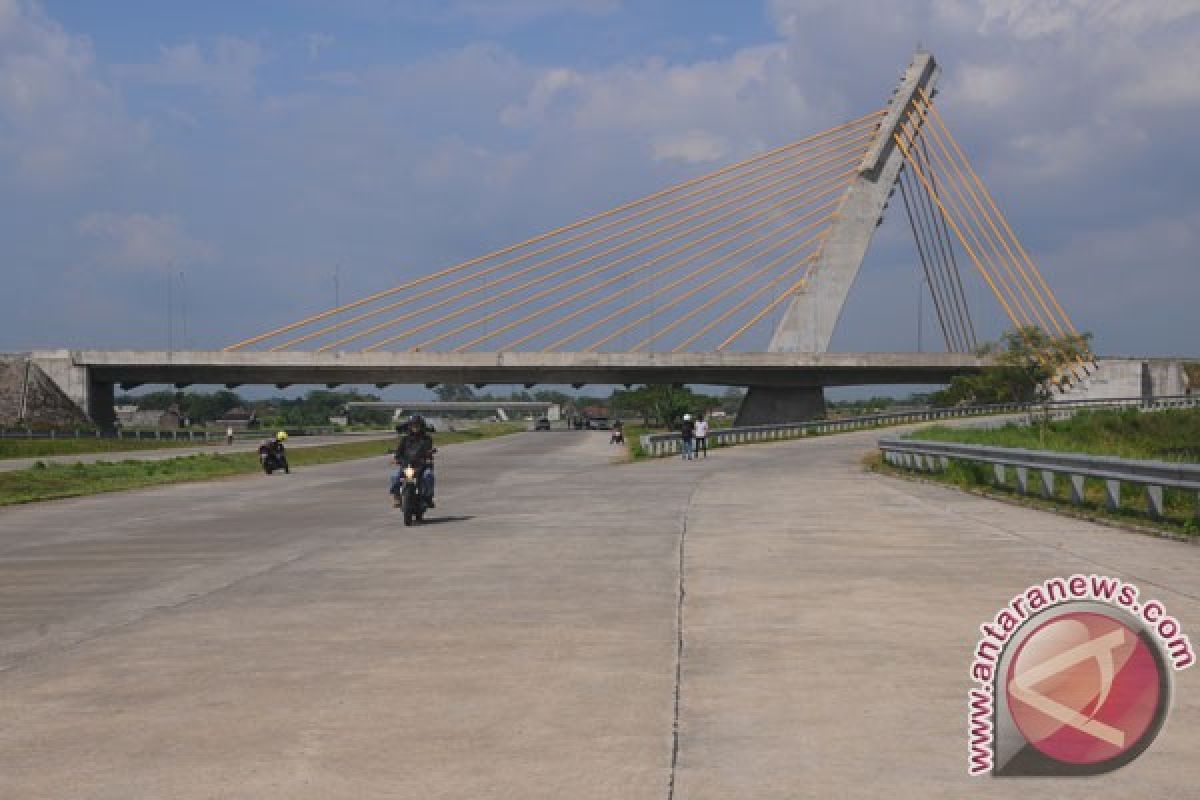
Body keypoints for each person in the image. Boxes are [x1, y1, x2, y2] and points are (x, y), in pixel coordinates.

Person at [390, 415, 435, 508]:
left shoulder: (427, 439)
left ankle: (428, 497)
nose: (415, 427)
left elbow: (429, 451)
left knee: (428, 476)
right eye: (413, 425)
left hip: (422, 465)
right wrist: (396, 459)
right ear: (409, 426)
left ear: (421, 426)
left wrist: (428, 458)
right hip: (407, 465)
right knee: (394, 476)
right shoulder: (405, 439)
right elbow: (398, 452)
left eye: (417, 425)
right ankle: (397, 497)